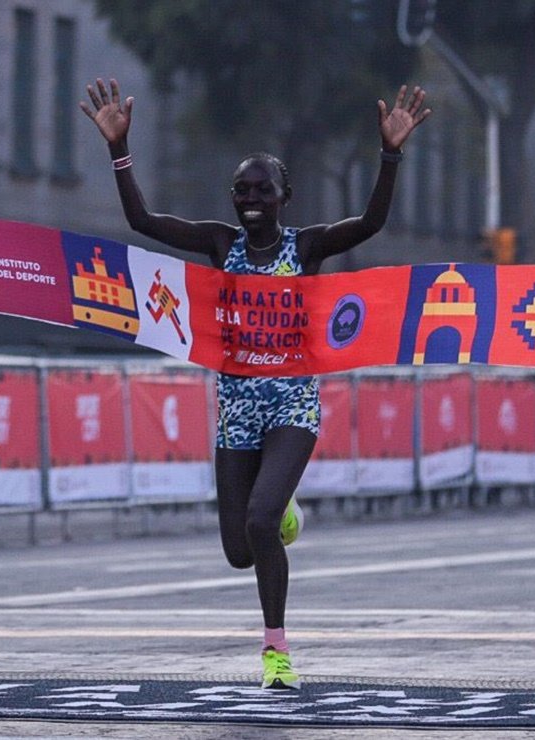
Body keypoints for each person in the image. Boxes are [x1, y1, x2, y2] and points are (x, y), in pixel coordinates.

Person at [81, 78, 431, 690]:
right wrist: (119, 149)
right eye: (241, 190)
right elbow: (142, 219)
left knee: (261, 522)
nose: (250, 199)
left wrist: (390, 154)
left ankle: (276, 652)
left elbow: (372, 224)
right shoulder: (221, 245)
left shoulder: (308, 247)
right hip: (236, 411)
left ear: (284, 197)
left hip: (293, 405)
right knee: (240, 549)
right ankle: (280, 508)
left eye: (262, 190)